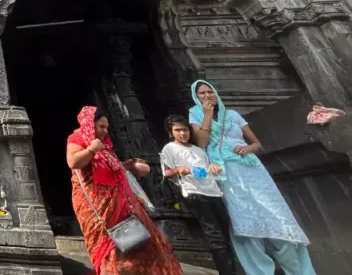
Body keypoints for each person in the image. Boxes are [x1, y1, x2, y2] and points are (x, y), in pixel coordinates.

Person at [189, 80, 317, 275]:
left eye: (210, 91)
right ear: (196, 97)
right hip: (227, 172)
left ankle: (299, 271)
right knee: (245, 223)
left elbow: (257, 144)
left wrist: (248, 148)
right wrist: (207, 115)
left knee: (277, 218)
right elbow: (202, 142)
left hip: (253, 170)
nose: (207, 96)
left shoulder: (232, 115)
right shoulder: (195, 114)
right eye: (202, 93)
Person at [66, 106, 183, 275]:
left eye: (107, 127)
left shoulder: (105, 145)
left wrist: (128, 165)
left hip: (120, 202)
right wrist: (91, 149)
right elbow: (73, 162)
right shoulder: (77, 138)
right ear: (89, 124)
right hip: (97, 205)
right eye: (101, 127)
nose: (105, 131)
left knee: (140, 242)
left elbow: (107, 168)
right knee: (110, 247)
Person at [160, 114, 236, 275]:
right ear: (170, 132)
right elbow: (166, 173)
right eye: (178, 130)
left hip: (214, 191)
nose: (182, 133)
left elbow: (207, 168)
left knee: (225, 231)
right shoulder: (169, 148)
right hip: (195, 192)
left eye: (185, 129)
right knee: (214, 234)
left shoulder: (198, 149)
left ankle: (233, 268)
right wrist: (179, 169)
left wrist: (214, 166)